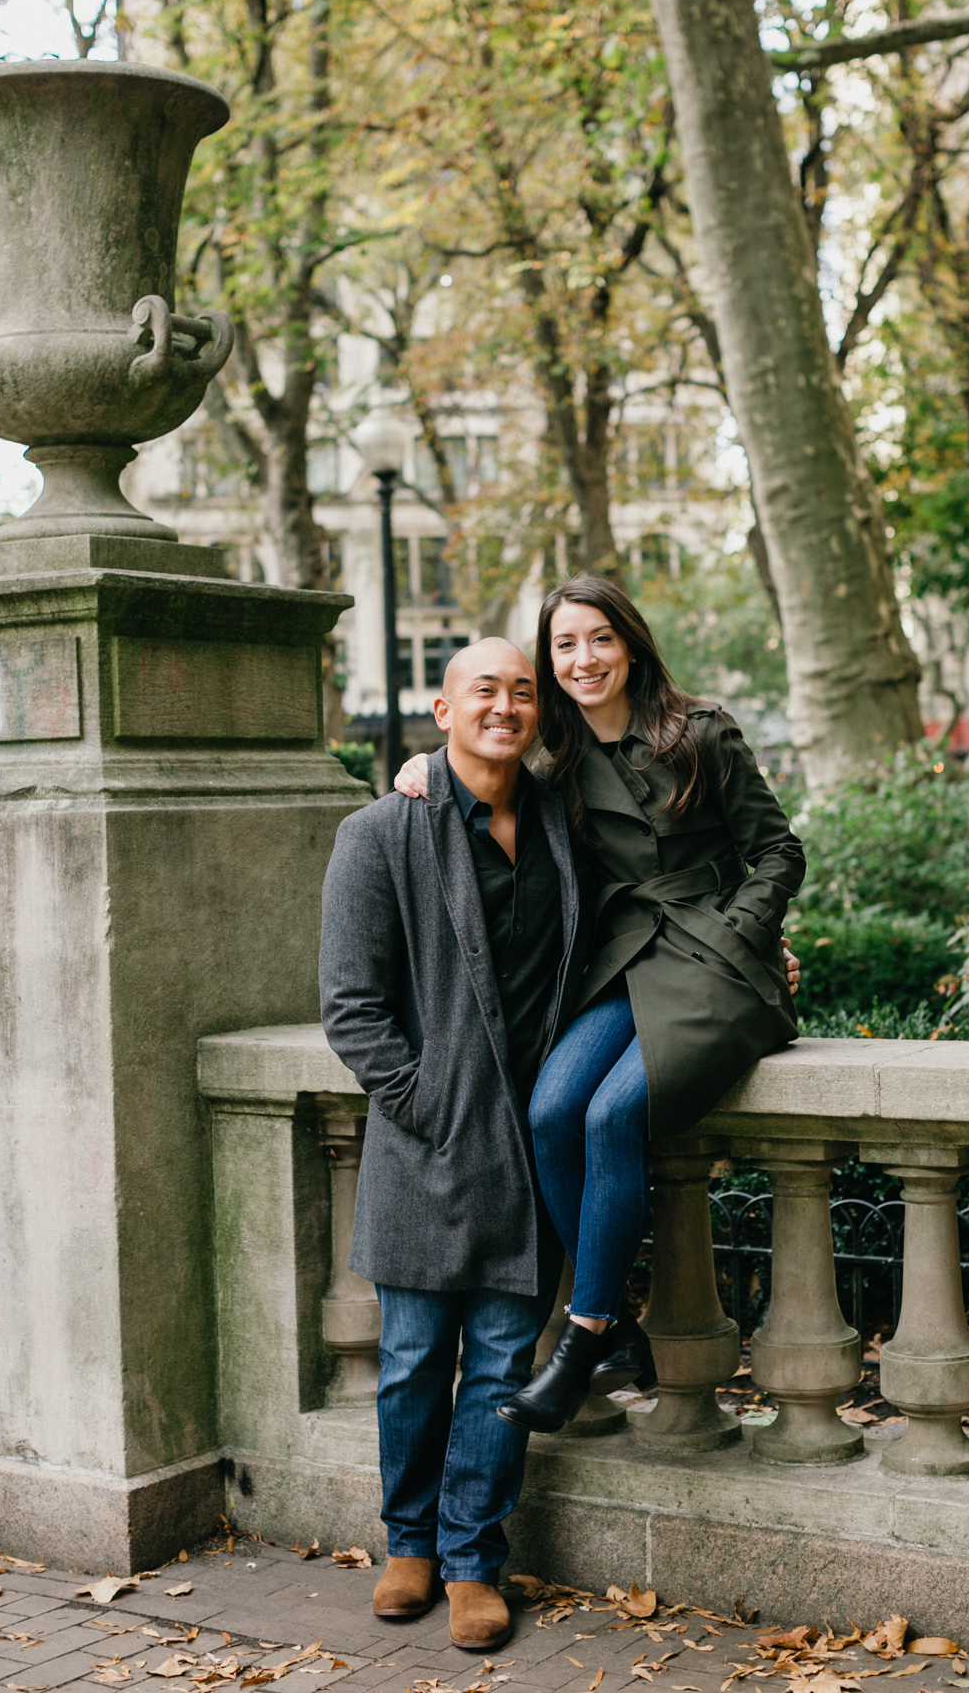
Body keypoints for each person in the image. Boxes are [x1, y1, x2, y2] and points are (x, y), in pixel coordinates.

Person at [394, 575, 805, 1433]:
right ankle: (610, 1314)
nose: (583, 660)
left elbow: (778, 851)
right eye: (564, 646)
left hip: (718, 962)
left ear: (631, 644)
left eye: (599, 639)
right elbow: (480, 782)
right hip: (626, 962)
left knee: (613, 1113)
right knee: (551, 1111)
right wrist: (420, 770)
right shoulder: (558, 766)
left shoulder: (700, 734)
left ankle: (586, 1341)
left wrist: (746, 935)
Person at [318, 638, 589, 1653]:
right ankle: (410, 1544)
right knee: (412, 1360)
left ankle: (475, 1557)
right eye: (488, 690)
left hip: (530, 1146)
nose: (507, 706)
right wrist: (427, 1104)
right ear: (443, 709)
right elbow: (351, 1009)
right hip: (425, 1149)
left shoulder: (565, 822)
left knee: (503, 1365)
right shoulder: (381, 834)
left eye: (525, 691)